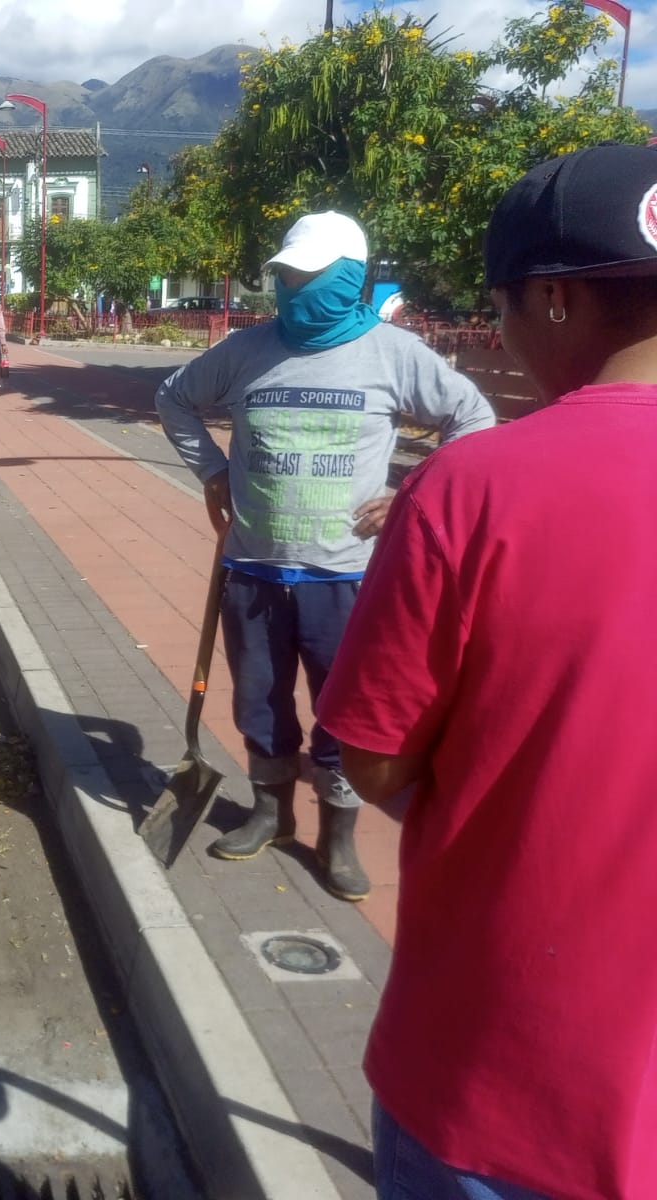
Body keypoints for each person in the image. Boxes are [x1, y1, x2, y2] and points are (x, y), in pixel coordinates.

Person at [318, 143, 657, 1200]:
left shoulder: (473, 487)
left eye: (499, 304)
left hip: (503, 1078)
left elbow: (372, 760)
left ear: (553, 297)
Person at [154, 211, 492, 901]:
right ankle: (271, 813)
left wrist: (413, 492)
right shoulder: (247, 350)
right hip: (252, 569)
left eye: (309, 277)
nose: (293, 290)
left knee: (342, 712)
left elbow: (473, 419)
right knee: (260, 703)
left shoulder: (393, 354)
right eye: (286, 276)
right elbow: (174, 399)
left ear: (349, 279)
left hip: (347, 578)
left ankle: (337, 836)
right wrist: (213, 472)